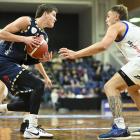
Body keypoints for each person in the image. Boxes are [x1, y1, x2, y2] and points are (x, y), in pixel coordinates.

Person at [59, 4, 140, 139]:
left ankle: (119, 127)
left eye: (108, 16)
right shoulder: (133, 27)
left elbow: (103, 46)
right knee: (132, 89)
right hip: (136, 62)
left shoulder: (116, 25)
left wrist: (76, 54)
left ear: (116, 16)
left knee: (110, 86)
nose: (106, 20)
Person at [0, 4, 58, 139]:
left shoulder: (44, 36)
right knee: (39, 84)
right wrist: (24, 38)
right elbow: (1, 33)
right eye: (54, 15)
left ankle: (1, 108)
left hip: (13, 64)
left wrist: (41, 61)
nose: (55, 19)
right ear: (45, 13)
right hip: (3, 60)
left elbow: (27, 60)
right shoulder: (26, 21)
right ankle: (31, 128)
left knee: (29, 102)